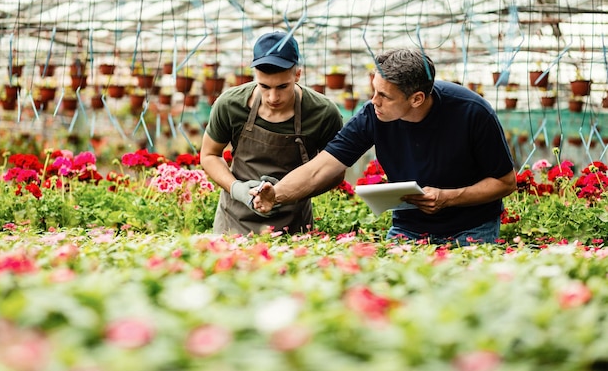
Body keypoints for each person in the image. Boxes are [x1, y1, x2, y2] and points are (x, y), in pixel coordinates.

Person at [252, 47, 517, 246]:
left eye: (384, 95)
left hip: (472, 228)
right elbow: (319, 169)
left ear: (416, 99)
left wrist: (449, 198)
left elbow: (505, 182)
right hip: (409, 227)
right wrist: (276, 195)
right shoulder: (373, 115)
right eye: (374, 90)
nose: (373, 100)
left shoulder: (472, 113)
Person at [200, 31, 344, 235]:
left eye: (283, 86)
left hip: (293, 226)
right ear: (255, 76)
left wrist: (287, 193)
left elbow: (335, 171)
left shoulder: (322, 113)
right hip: (234, 223)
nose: (273, 97)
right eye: (264, 86)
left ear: (297, 75)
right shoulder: (230, 105)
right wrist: (237, 190)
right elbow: (208, 155)